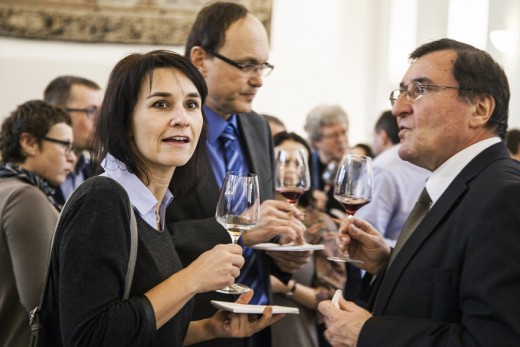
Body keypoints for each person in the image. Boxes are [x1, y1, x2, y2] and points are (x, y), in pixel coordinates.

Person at [41, 50, 283, 346]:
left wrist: (209, 329)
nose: (182, 119)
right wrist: (193, 278)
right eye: (161, 104)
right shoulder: (102, 200)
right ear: (125, 121)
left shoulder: (154, 206)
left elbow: (140, 331)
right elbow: (91, 337)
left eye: (192, 104)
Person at [318, 38, 520, 346]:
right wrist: (389, 265)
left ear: (479, 109)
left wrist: (367, 333)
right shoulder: (461, 183)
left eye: (420, 90)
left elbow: (496, 339)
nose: (398, 108)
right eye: (400, 92)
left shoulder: (506, 196)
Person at [165, 2, 309, 346]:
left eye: (263, 66)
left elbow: (259, 231)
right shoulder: (166, 131)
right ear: (200, 59)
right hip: (194, 326)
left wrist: (284, 251)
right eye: (246, 65)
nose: (258, 80)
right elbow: (144, 242)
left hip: (257, 324)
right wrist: (239, 232)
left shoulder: (256, 126)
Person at [0, 100, 74, 347]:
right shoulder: (25, 196)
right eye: (64, 145)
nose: (72, 157)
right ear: (29, 143)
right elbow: (42, 300)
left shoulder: (6, 189)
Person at [269, 131, 346, 347]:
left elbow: (333, 298)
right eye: (283, 161)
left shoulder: (319, 223)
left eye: (298, 162)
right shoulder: (248, 219)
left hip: (293, 336)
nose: (291, 169)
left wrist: (286, 287)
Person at [356, 110, 430, 246]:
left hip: (390, 261)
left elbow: (364, 234)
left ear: (382, 137)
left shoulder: (382, 167)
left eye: (373, 136)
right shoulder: (429, 157)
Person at [43, 75, 103, 205]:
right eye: (91, 111)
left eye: (101, 113)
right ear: (59, 114)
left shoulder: (100, 173)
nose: (101, 121)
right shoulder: (31, 176)